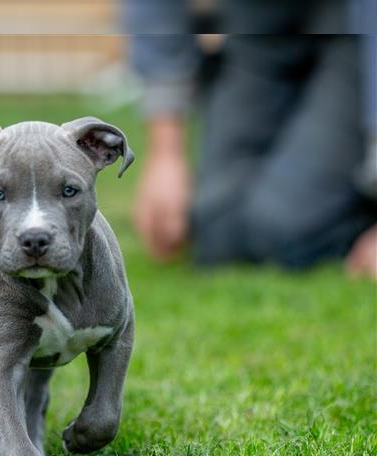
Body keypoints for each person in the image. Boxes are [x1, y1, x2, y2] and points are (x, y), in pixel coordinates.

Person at [126, 0, 377, 278]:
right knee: (217, 232)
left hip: (360, 26)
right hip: (261, 25)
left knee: (286, 231)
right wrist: (166, 153)